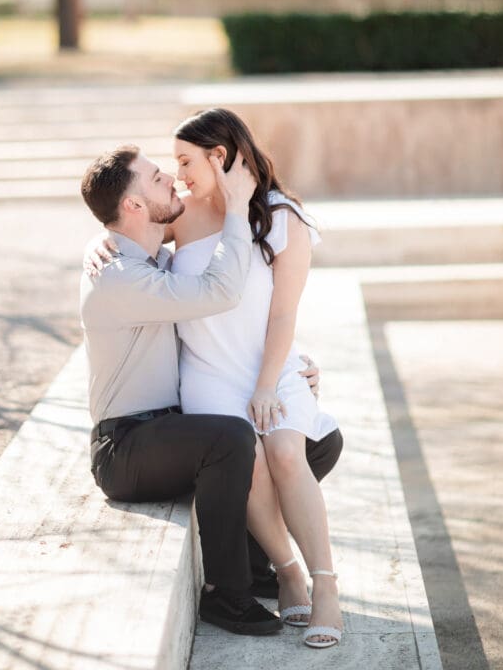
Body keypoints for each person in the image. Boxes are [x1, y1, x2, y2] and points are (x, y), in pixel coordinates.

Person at [79, 145, 283, 636]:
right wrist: (235, 210)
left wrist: (290, 369)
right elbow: (221, 291)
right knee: (232, 439)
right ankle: (226, 595)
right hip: (125, 447)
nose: (170, 178)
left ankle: (254, 566)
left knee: (297, 441)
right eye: (154, 178)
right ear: (132, 207)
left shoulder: (150, 260)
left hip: (166, 432)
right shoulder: (121, 277)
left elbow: (238, 316)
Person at [170, 108, 343, 649]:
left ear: (218, 156)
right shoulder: (179, 214)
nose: (178, 174)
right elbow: (125, 244)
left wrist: (269, 384)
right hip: (205, 375)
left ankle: (326, 587)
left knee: (287, 454)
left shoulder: (280, 214)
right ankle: (286, 570)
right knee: (254, 469)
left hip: (267, 366)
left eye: (185, 161)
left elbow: (283, 315)